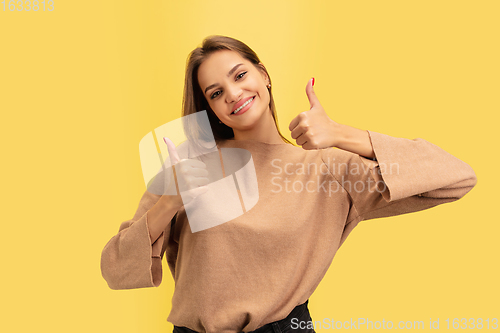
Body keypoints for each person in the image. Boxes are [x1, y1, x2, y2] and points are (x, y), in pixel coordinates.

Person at [100, 35, 477, 333]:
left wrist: (342, 134)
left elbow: (456, 178)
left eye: (239, 75)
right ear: (210, 107)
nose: (232, 94)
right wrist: (170, 201)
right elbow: (116, 269)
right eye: (215, 92)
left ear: (263, 74)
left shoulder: (328, 169)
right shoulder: (189, 164)